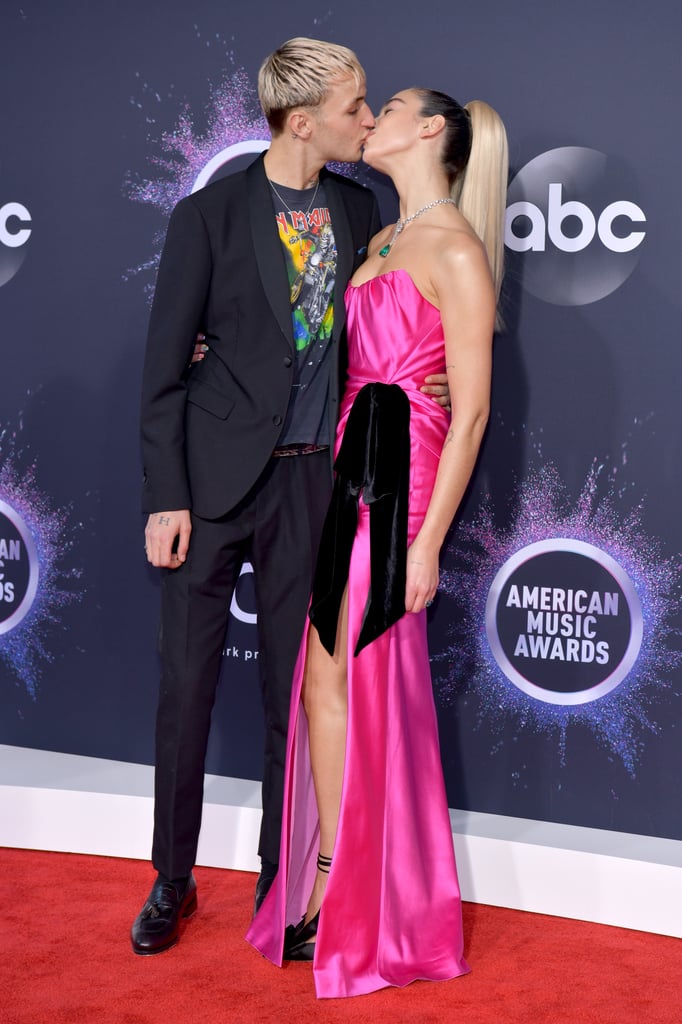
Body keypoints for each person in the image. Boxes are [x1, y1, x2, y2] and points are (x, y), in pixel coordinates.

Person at [132, 40, 449, 956]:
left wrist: (422, 381)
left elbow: (399, 324)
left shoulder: (363, 209)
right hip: (213, 485)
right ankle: (172, 878)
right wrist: (168, 496)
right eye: (355, 106)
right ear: (302, 119)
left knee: (297, 693)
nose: (367, 119)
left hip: (319, 481)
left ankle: (285, 882)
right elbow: (163, 372)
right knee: (186, 688)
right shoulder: (209, 216)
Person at [247, 87, 509, 998]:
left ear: (430, 129)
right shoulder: (374, 242)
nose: (377, 115)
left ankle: (371, 898)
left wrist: (430, 542)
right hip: (347, 469)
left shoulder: (458, 250)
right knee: (322, 676)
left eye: (391, 104)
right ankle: (327, 876)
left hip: (406, 480)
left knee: (364, 676)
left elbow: (470, 412)